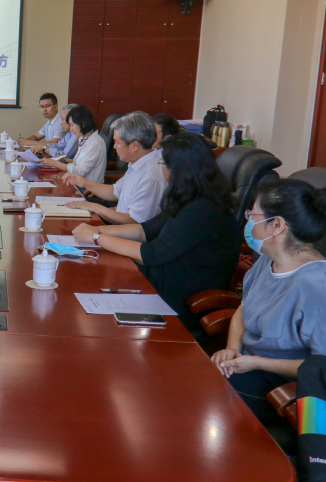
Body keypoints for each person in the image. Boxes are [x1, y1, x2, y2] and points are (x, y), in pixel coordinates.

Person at [70, 133, 242, 338]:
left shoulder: (203, 210)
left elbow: (153, 253)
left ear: (178, 169)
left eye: (163, 163)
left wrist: (97, 238)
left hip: (180, 301)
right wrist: (97, 231)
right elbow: (144, 230)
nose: (161, 168)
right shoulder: (190, 197)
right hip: (161, 280)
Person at [211, 179, 326, 430]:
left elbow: (320, 369)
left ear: (277, 225)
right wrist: (232, 348)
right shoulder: (267, 259)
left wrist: (256, 363)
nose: (248, 221)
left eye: (253, 215)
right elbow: (244, 309)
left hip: (283, 387)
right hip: (247, 365)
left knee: (204, 399)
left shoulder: (316, 284)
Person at [62, 111, 166, 224]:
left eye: (117, 142)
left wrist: (95, 207)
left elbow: (134, 223)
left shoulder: (150, 176)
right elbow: (115, 191)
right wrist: (84, 182)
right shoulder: (137, 163)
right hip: (117, 222)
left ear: (134, 146)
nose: (114, 147)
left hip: (123, 230)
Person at [38, 105, 106, 183]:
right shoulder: (84, 139)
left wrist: (55, 163)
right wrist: (66, 160)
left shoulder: (95, 143)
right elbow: (81, 162)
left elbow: (81, 171)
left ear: (82, 124)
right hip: (78, 182)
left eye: (72, 125)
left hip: (87, 187)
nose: (71, 129)